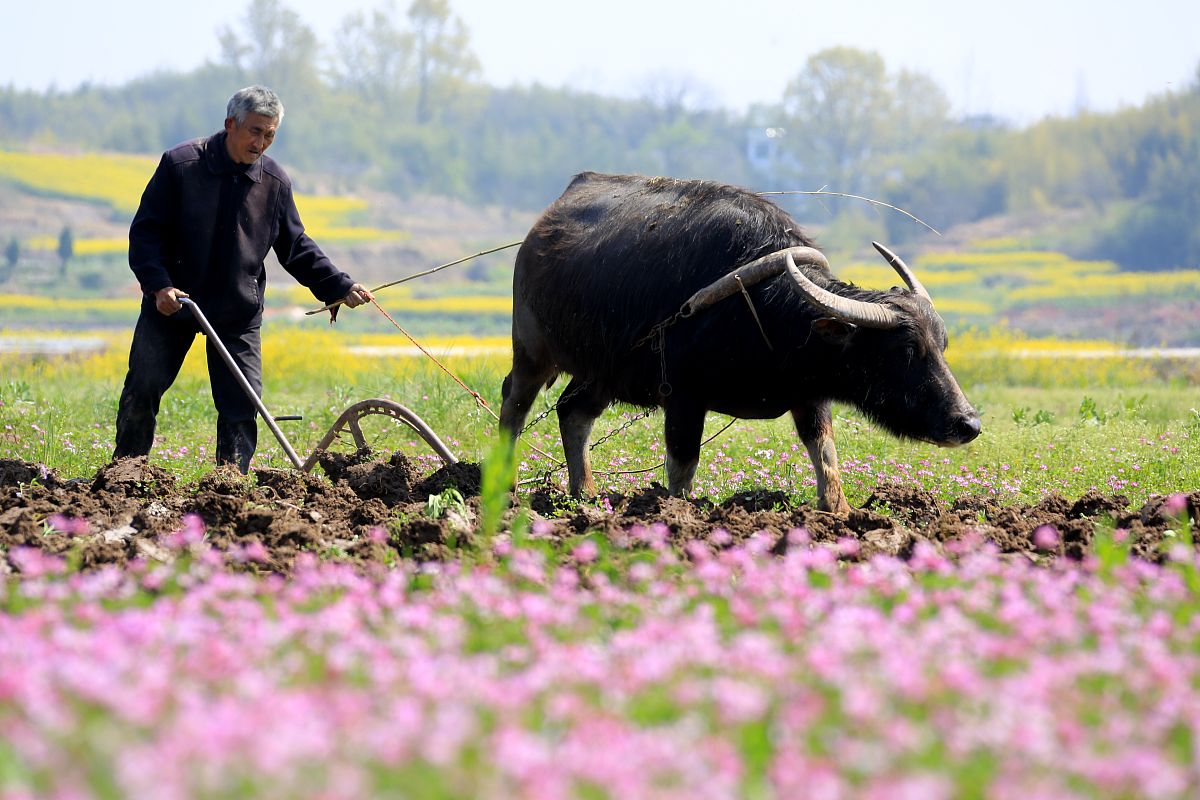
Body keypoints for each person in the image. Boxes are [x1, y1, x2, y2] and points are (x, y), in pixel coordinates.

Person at [113, 85, 374, 473]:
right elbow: (146, 233)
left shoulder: (274, 183)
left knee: (242, 400)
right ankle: (126, 471)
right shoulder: (180, 165)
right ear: (230, 124)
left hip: (237, 309)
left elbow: (296, 246)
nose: (261, 142)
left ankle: (230, 482)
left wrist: (338, 285)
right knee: (143, 387)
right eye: (255, 131)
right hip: (174, 303)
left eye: (270, 134)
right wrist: (158, 285)